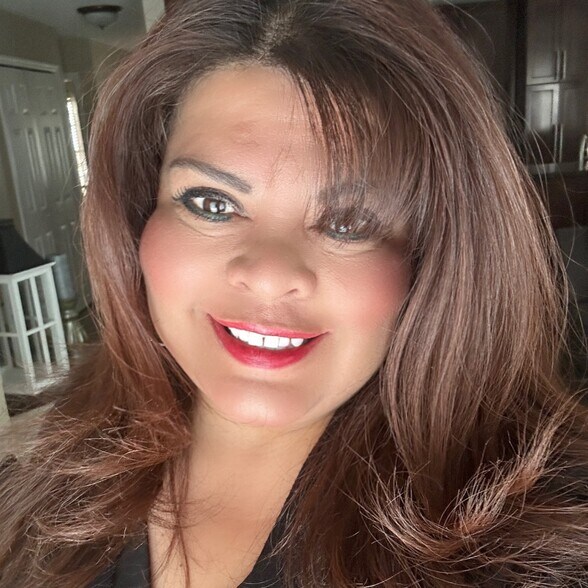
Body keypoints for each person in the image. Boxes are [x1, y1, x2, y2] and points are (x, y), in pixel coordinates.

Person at [1, 0, 587, 586]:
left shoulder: (533, 531)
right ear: (137, 216)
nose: (268, 275)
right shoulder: (60, 459)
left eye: (349, 223)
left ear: (436, 255)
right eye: (212, 202)